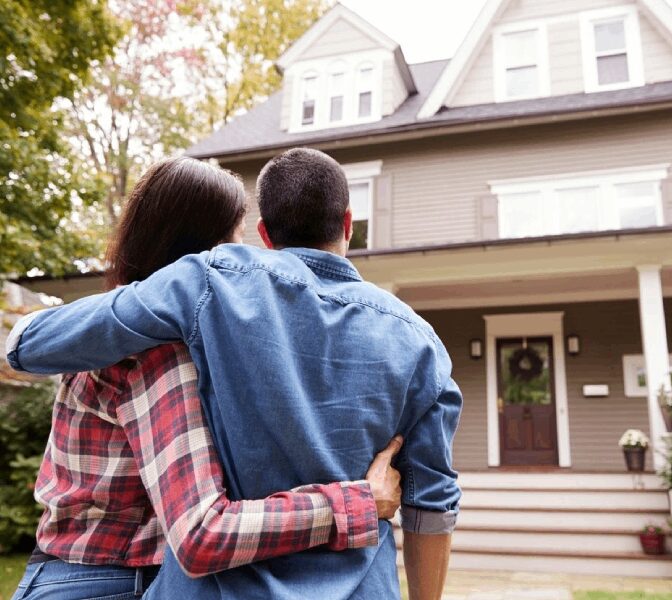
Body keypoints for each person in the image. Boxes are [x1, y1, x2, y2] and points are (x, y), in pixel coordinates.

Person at [7, 148, 463, 600]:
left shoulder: (208, 286)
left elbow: (27, 346)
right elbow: (433, 504)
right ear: (348, 224)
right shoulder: (422, 343)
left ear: (264, 234)